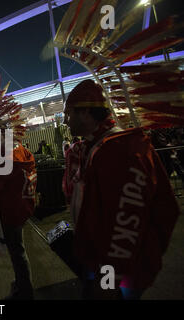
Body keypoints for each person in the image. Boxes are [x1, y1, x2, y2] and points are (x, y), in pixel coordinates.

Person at [63, 80, 180, 300]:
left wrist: (109, 280)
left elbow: (123, 226)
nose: (65, 121)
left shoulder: (117, 151)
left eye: (69, 114)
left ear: (86, 112)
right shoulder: (101, 145)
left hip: (119, 272)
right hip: (110, 267)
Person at [0, 121, 37, 299]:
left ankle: (25, 290)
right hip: (23, 204)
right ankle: (21, 283)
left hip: (9, 209)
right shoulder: (20, 148)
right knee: (18, 248)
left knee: (17, 251)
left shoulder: (0, 153)